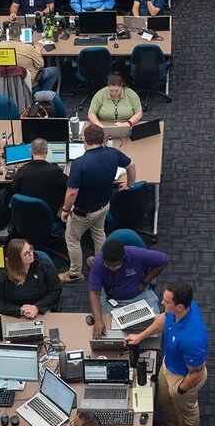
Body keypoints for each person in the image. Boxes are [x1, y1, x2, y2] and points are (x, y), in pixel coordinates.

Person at [126, 282, 208, 426]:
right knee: (163, 400)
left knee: (188, 412)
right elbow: (164, 318)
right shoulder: (178, 310)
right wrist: (140, 337)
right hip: (168, 365)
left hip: (184, 377)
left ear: (179, 306)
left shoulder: (192, 338)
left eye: (166, 301)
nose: (162, 303)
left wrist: (180, 391)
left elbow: (197, 372)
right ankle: (174, 425)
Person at [59, 125, 136, 283]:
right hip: (103, 207)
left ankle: (75, 273)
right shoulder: (113, 153)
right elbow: (131, 165)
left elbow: (72, 192)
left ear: (84, 140)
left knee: (72, 239)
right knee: (99, 234)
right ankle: (102, 264)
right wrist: (129, 184)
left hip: (83, 213)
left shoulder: (80, 163)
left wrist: (66, 210)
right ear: (102, 139)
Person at [88, 239, 169, 337]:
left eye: (116, 266)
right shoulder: (98, 262)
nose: (112, 268)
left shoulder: (136, 254)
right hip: (112, 297)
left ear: (123, 258)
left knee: (154, 330)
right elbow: (94, 292)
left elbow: (164, 260)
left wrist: (145, 282)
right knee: (108, 334)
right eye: (108, 265)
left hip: (139, 294)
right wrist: (98, 320)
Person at [0, 238, 62, 317]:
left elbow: (56, 290)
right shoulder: (1, 274)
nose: (31, 254)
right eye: (26, 254)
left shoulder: (43, 265)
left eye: (31, 249)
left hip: (42, 308)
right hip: (13, 313)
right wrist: (20, 310)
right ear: (16, 259)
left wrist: (36, 308)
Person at [11, 137, 68, 214]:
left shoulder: (21, 171)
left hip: (26, 215)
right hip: (50, 215)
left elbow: (14, 188)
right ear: (47, 151)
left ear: (31, 151)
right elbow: (68, 185)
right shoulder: (55, 171)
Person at [6, 21, 59, 93]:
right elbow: (40, 65)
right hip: (28, 81)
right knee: (55, 70)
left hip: (9, 80)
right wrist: (38, 52)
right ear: (21, 34)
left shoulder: (1, 45)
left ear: (8, 34)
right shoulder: (28, 48)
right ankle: (43, 95)